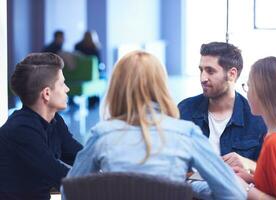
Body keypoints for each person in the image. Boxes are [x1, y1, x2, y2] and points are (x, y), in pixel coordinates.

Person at [65, 50, 246, 199]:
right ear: (161, 85)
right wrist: (190, 190)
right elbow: (234, 194)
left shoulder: (102, 135)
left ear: (117, 87)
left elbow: (70, 193)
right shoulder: (186, 134)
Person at [0, 53, 83, 200]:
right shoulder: (20, 130)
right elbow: (58, 174)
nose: (67, 89)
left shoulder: (54, 120)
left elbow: (80, 156)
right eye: (62, 84)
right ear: (46, 93)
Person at [178, 42, 267, 171]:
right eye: (201, 70)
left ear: (232, 74)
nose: (203, 78)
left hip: (236, 189)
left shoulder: (256, 118)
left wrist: (248, 163)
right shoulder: (184, 109)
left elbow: (270, 173)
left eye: (210, 71)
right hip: (189, 188)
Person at [236, 56, 276, 199]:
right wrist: (252, 179)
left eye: (249, 86)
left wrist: (244, 188)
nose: (247, 92)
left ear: (263, 92)